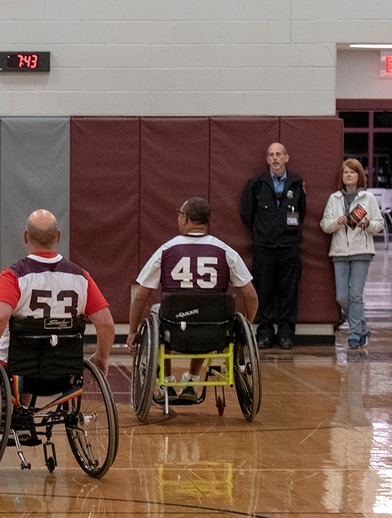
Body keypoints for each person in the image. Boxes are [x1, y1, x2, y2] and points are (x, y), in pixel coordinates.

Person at [127, 196, 258, 403]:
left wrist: (133, 331)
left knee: (160, 310)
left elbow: (141, 296)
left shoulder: (166, 250)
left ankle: (168, 380)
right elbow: (250, 295)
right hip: (214, 330)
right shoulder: (226, 252)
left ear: (185, 219)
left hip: (175, 328)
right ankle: (192, 380)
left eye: (180, 213)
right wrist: (247, 327)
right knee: (206, 313)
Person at [0, 210, 114, 379]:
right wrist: (102, 357)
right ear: (58, 236)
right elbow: (106, 324)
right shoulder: (82, 277)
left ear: (25, 237)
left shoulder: (13, 276)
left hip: (17, 366)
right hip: (63, 368)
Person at [240, 143, 306, 350]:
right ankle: (265, 332)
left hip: (289, 246)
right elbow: (247, 214)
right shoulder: (256, 184)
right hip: (264, 247)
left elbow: (301, 212)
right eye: (271, 155)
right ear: (267, 160)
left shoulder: (296, 183)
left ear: (286, 157)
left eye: (279, 154)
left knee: (288, 291)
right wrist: (264, 231)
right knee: (264, 291)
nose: (275, 158)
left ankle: (286, 333)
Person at [320, 158, 384, 350]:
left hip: (362, 251)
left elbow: (379, 224)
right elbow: (325, 225)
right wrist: (336, 223)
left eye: (352, 172)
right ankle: (362, 326)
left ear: (359, 176)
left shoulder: (368, 198)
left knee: (356, 294)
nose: (348, 175)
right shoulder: (334, 198)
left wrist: (367, 224)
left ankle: (354, 335)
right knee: (342, 297)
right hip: (339, 251)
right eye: (345, 172)